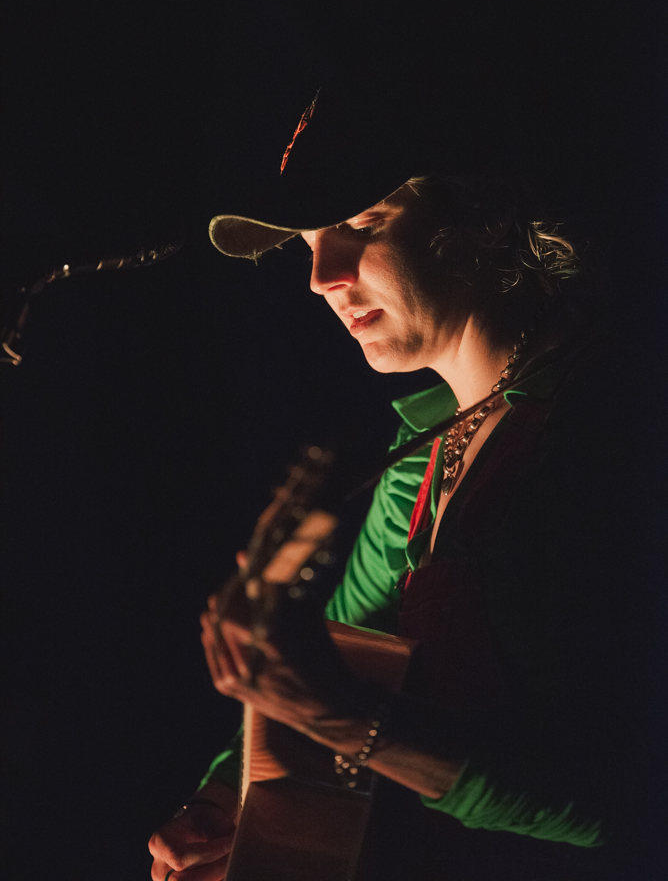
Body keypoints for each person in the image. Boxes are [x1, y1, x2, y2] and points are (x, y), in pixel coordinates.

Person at [149, 65, 663, 880]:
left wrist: (345, 718)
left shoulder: (605, 432)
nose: (322, 276)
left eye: (359, 221)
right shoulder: (419, 460)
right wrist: (223, 806)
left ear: (485, 216)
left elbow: (622, 805)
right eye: (308, 243)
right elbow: (343, 654)